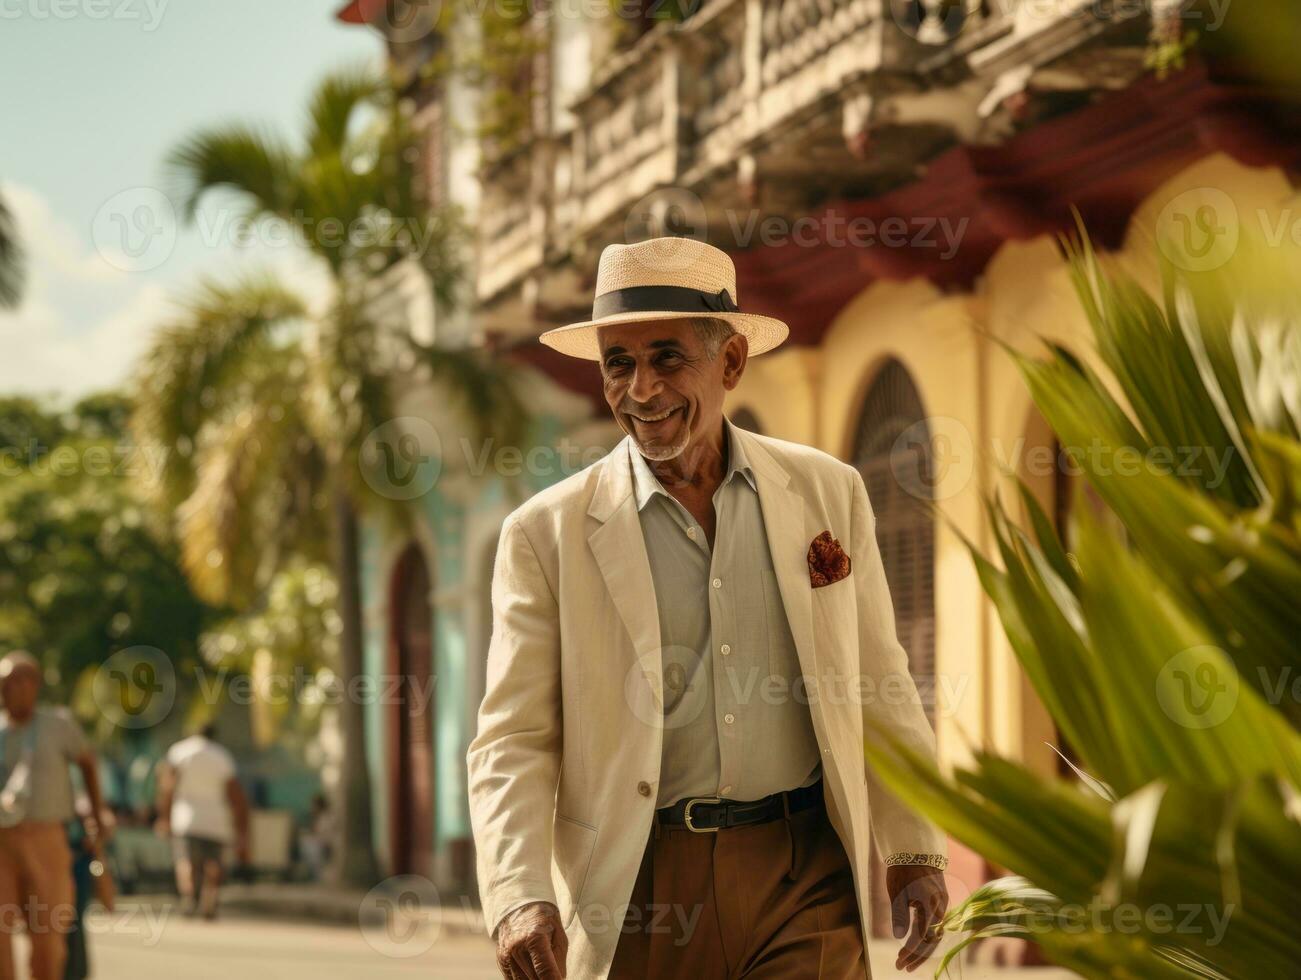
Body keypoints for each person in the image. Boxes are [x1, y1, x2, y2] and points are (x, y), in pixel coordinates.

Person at [467, 237, 950, 980]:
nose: (641, 390)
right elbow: (514, 738)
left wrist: (913, 847)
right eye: (618, 365)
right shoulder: (545, 534)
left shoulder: (828, 491)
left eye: (666, 359)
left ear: (729, 362)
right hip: (640, 885)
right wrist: (517, 892)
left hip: (803, 875)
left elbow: (876, 675)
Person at [0, 651, 109, 980]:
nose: (17, 686)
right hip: (2, 842)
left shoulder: (58, 726)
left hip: (47, 837)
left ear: (36, 685)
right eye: (9, 680)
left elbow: (88, 764)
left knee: (48, 933)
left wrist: (98, 816)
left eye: (25, 679)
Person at [155, 725, 249, 920]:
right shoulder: (222, 756)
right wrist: (241, 829)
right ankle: (209, 898)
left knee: (186, 860)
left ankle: (189, 896)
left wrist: (164, 817)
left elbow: (168, 787)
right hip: (216, 820)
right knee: (213, 863)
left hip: (186, 818)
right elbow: (235, 794)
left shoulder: (179, 752)